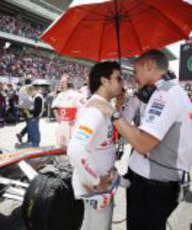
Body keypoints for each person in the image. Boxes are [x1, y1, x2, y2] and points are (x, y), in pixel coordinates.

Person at [97, 49, 192, 230]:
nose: (134, 78)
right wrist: (119, 105)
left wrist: (112, 112)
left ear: (149, 66)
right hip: (147, 180)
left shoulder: (165, 95)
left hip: (153, 186)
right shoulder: (163, 92)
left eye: (135, 72)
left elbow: (142, 144)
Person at [67, 61, 124, 230]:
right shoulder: (96, 110)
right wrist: (95, 181)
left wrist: (118, 106)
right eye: (118, 78)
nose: (123, 82)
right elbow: (75, 149)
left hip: (102, 184)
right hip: (97, 188)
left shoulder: (104, 106)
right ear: (105, 81)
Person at [52, 74, 84, 146]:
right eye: (60, 82)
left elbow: (82, 108)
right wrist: (56, 115)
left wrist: (76, 119)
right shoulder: (60, 95)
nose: (61, 84)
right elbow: (54, 106)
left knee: (71, 145)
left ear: (69, 83)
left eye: (63, 82)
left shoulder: (76, 94)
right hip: (61, 124)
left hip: (71, 125)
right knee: (60, 144)